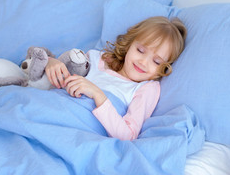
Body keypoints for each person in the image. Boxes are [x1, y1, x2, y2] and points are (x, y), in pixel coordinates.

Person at [45, 16, 187, 140]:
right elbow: (56, 77)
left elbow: (127, 136)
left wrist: (98, 95)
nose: (143, 62)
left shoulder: (145, 88)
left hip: (75, 131)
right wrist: (51, 62)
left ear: (163, 69)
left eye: (156, 62)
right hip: (51, 108)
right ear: (130, 44)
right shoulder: (97, 58)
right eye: (140, 50)